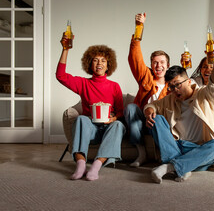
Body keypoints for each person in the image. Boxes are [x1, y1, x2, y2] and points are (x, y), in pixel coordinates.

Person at [144, 43, 214, 184]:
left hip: (198, 147)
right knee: (157, 119)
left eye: (178, 84)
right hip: (176, 146)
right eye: (171, 87)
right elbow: (151, 105)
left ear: (188, 81)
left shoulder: (204, 94)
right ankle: (185, 166)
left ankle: (169, 166)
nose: (175, 90)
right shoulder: (170, 98)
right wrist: (149, 112)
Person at [56, 33, 126, 181]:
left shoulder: (114, 86)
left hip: (107, 129)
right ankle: (80, 165)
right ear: (90, 64)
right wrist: (65, 49)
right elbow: (60, 76)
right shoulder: (83, 83)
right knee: (81, 119)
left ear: (108, 65)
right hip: (91, 129)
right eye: (95, 60)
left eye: (103, 60)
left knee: (119, 125)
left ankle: (96, 166)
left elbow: (120, 111)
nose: (99, 63)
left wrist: (112, 118)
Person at [124, 12, 171, 167]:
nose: (159, 66)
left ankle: (162, 153)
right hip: (142, 121)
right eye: (155, 63)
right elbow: (135, 57)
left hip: (160, 123)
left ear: (168, 65)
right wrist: (139, 27)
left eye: (162, 62)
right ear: (151, 65)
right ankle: (141, 152)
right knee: (131, 107)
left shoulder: (173, 86)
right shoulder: (146, 78)